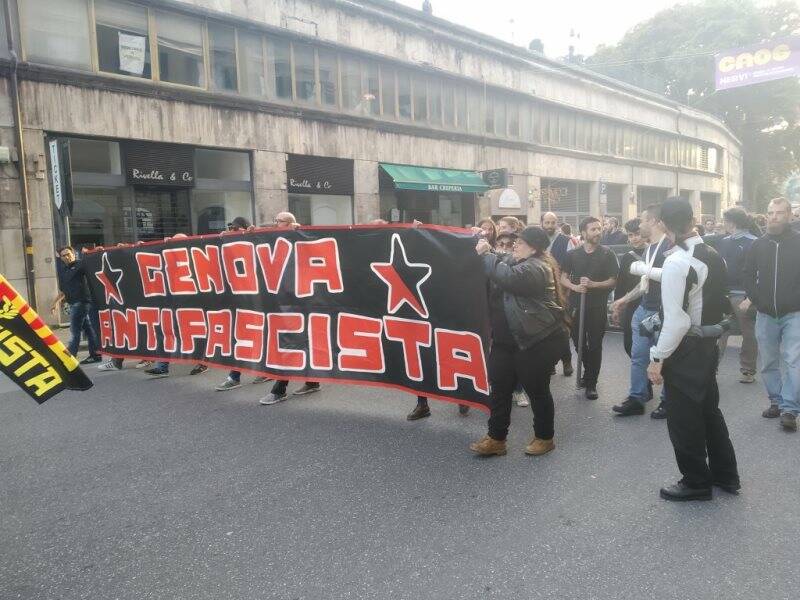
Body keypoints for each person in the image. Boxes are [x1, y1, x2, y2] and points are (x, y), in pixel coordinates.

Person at [647, 196, 739, 501]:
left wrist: (656, 358)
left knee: (684, 419)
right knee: (709, 412)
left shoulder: (677, 261)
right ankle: (726, 475)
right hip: (707, 344)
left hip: (686, 349)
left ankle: (696, 482)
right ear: (692, 217)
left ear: (663, 224)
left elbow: (675, 321)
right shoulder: (712, 252)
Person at [470, 226, 570, 457]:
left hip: (536, 341)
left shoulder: (537, 268)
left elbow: (507, 277)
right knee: (500, 390)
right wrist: (476, 238)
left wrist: (486, 254)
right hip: (506, 341)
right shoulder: (516, 260)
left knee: (537, 391)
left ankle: (544, 438)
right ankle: (496, 439)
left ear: (534, 248)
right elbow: (501, 259)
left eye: (520, 242)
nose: (514, 245)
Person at [742, 197, 800, 430]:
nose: (773, 216)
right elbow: (747, 274)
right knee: (768, 362)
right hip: (766, 314)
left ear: (789, 216)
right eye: (770, 212)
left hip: (794, 313)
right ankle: (776, 401)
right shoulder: (758, 244)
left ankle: (789, 409)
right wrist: (757, 299)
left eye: (779, 212)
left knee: (793, 360)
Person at [610, 205, 670, 418]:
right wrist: (624, 300)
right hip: (645, 311)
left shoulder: (670, 248)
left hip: (662, 313)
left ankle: (667, 402)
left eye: (643, 221)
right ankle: (637, 398)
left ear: (653, 222)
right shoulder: (650, 248)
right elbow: (645, 283)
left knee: (663, 358)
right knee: (638, 357)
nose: (640, 225)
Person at [259, 211, 322, 405]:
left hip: (303, 301)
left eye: (278, 221)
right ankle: (310, 381)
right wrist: (249, 233)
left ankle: (280, 388)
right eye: (275, 220)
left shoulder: (301, 238)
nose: (275, 224)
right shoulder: (275, 240)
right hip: (284, 301)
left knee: (294, 342)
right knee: (292, 342)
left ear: (290, 223)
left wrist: (299, 231)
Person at [560, 217, 619, 400]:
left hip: (596, 306)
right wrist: (574, 287)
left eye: (599, 229)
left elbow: (613, 280)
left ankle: (591, 382)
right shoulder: (573, 255)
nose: (598, 232)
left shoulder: (607, 253)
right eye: (593, 229)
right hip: (577, 305)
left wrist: (594, 284)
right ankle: (588, 371)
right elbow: (563, 277)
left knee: (594, 345)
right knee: (578, 342)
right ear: (584, 233)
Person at [214, 217, 271, 390]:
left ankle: (265, 371)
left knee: (260, 337)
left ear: (245, 229)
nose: (232, 231)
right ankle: (234, 376)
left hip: (258, 301)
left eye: (235, 228)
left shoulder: (254, 241)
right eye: (230, 228)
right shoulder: (229, 246)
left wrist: (253, 234)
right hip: (238, 301)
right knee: (237, 339)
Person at [716, 207, 759, 384]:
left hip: (743, 296)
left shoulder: (754, 242)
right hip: (725, 294)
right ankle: (712, 367)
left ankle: (748, 370)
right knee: (719, 332)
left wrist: (750, 298)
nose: (722, 223)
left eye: (724, 220)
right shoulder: (724, 242)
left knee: (749, 333)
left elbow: (758, 272)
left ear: (732, 222)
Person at [51, 246, 102, 364]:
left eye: (68, 254)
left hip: (82, 303)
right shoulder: (64, 271)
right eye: (63, 255)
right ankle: (95, 355)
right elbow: (64, 291)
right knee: (89, 330)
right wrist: (55, 303)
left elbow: (93, 264)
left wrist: (94, 252)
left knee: (75, 330)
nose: (66, 257)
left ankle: (71, 355)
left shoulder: (80, 265)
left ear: (73, 254)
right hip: (74, 303)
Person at [541, 211, 576, 376]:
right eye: (546, 222)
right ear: (542, 223)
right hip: (541, 289)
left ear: (557, 223)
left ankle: (566, 360)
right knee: (545, 328)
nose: (549, 226)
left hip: (560, 290)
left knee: (562, 327)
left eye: (552, 222)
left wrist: (567, 289)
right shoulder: (537, 240)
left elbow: (571, 268)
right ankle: (550, 362)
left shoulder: (566, 241)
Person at [610, 218, 647, 357]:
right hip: (631, 305)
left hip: (650, 305)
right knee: (629, 344)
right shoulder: (627, 257)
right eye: (630, 235)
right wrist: (617, 308)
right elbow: (621, 285)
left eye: (637, 234)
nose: (634, 238)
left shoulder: (654, 254)